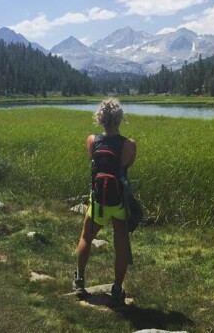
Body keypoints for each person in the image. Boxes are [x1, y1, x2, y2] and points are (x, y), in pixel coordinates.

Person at [73, 98, 137, 303]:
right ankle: (117, 288)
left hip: (99, 202)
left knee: (86, 238)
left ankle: (79, 281)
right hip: (118, 202)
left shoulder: (92, 140)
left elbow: (93, 163)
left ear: (100, 119)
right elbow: (128, 165)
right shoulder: (129, 145)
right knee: (121, 245)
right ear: (120, 119)